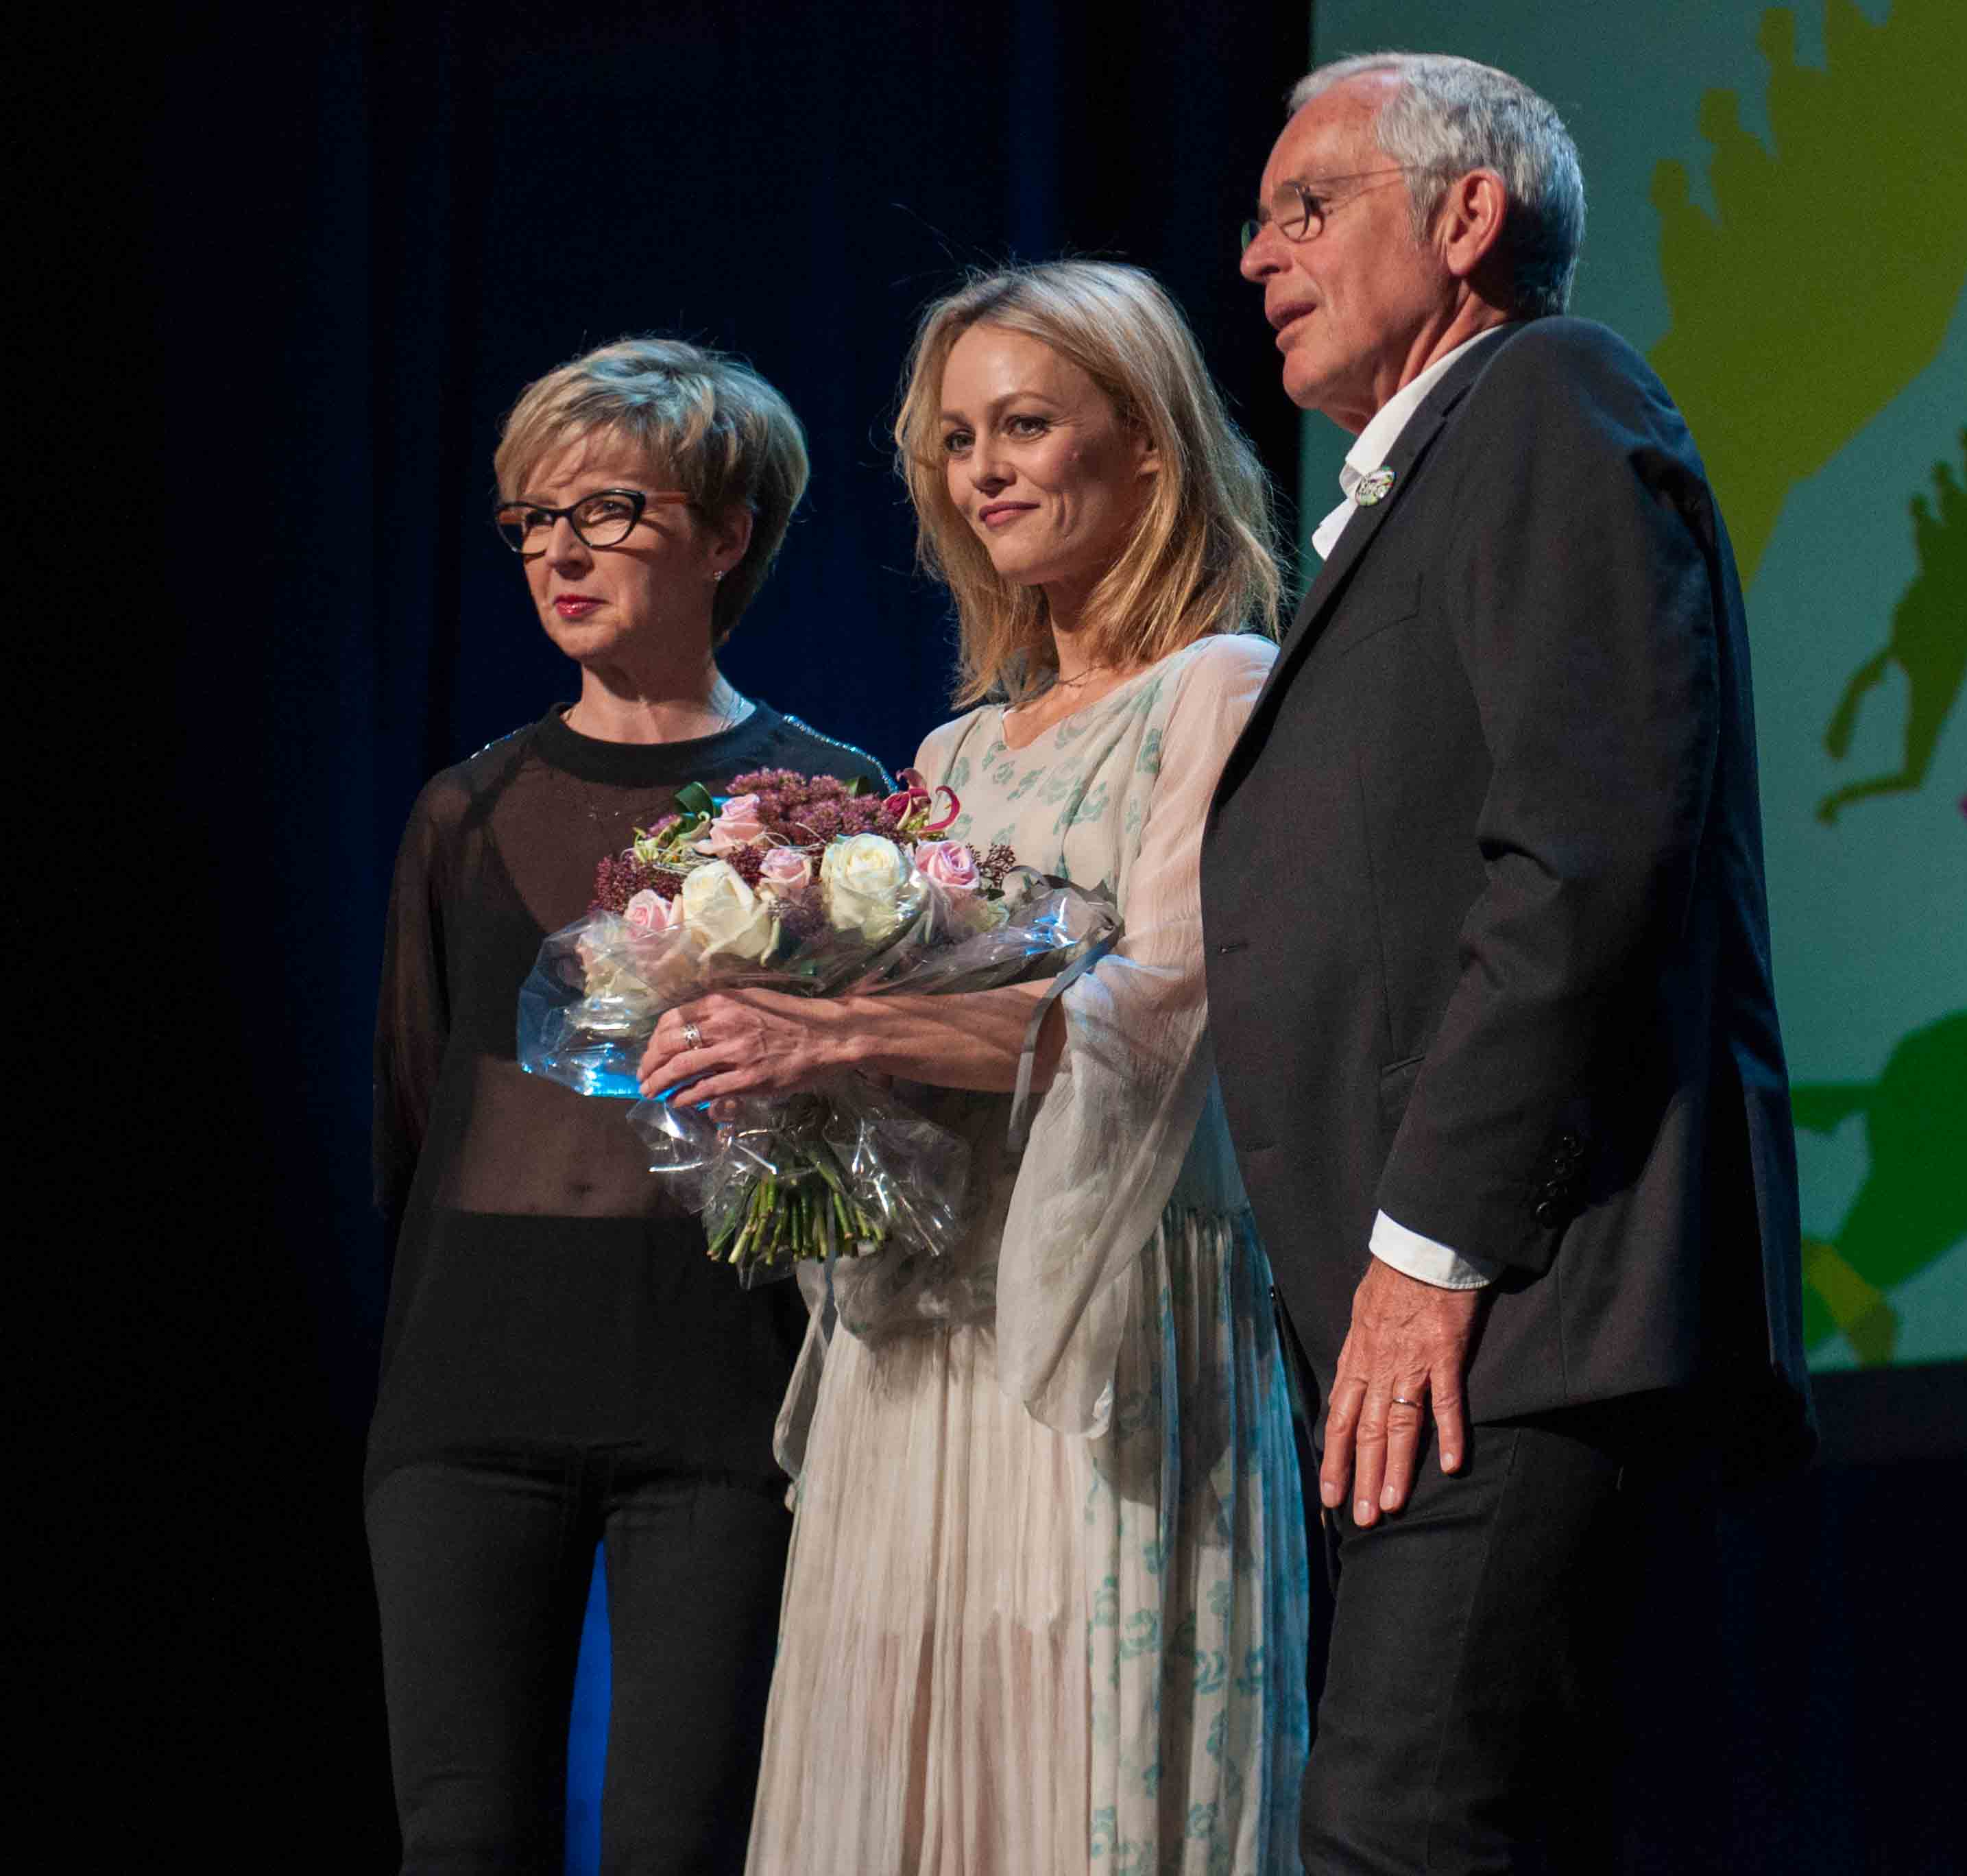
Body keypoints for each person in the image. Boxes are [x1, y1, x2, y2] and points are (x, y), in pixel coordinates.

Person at [1206, 52, 1816, 1870]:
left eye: (1306, 208)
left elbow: (1582, 858)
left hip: (1512, 1318)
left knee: (1403, 1832)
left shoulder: (1546, 398)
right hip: (1451, 1336)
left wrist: (1428, 1252)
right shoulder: (1439, 473)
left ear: (1463, 219)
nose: (1255, 257)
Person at [636, 261, 1304, 1874]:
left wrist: (842, 1026)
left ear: (1146, 448)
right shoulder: (943, 760)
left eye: (1026, 426)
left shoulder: (1218, 693)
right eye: (953, 440)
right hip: (924, 1342)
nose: (984, 469)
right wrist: (745, 1044)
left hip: (1108, 1338)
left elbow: (1163, 1014)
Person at [370, 337, 890, 1870]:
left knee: (686, 1839)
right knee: (461, 1839)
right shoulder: (462, 812)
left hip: (721, 1388)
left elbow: (860, 1135)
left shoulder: (831, 803)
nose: (561, 551)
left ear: (726, 535)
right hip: (468, 1392)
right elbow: (413, 1113)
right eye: (533, 519)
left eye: (606, 508)